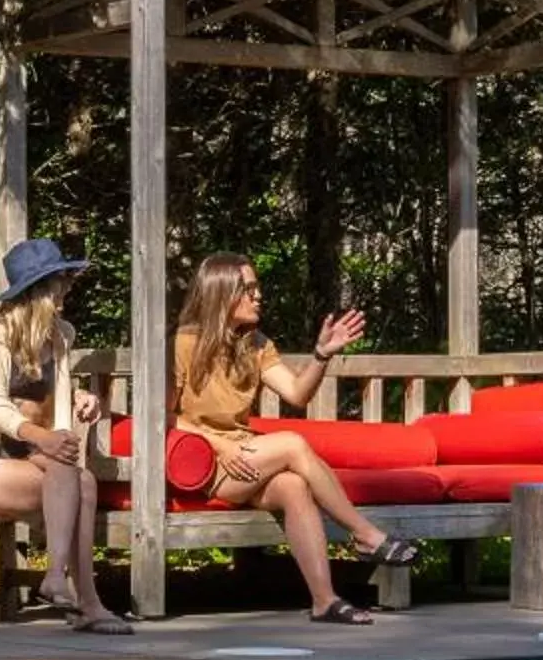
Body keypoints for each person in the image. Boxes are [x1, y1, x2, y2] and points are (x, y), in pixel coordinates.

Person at [170, 251, 420, 624]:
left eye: (257, 289)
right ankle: (365, 534)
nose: (258, 297)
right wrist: (220, 445)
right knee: (292, 443)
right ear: (222, 293)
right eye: (249, 289)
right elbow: (162, 418)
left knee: (292, 486)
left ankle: (324, 600)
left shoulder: (255, 344)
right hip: (205, 462)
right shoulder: (182, 343)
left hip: (245, 460)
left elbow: (296, 394)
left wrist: (321, 355)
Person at [0, 237, 129, 633]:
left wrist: (81, 398)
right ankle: (84, 600)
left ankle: (59, 581)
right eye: (61, 280)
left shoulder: (60, 335)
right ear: (39, 289)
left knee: (78, 476)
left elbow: (47, 396)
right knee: (76, 478)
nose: (67, 287)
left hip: (39, 461)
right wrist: (43, 437)